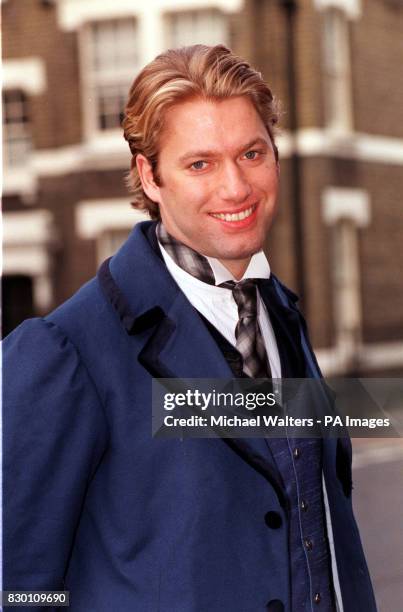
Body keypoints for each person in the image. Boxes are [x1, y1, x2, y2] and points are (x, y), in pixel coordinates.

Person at [3, 45, 376, 612]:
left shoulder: (283, 315)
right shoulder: (64, 352)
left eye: (252, 153)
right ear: (149, 176)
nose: (235, 188)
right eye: (199, 163)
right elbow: (21, 587)